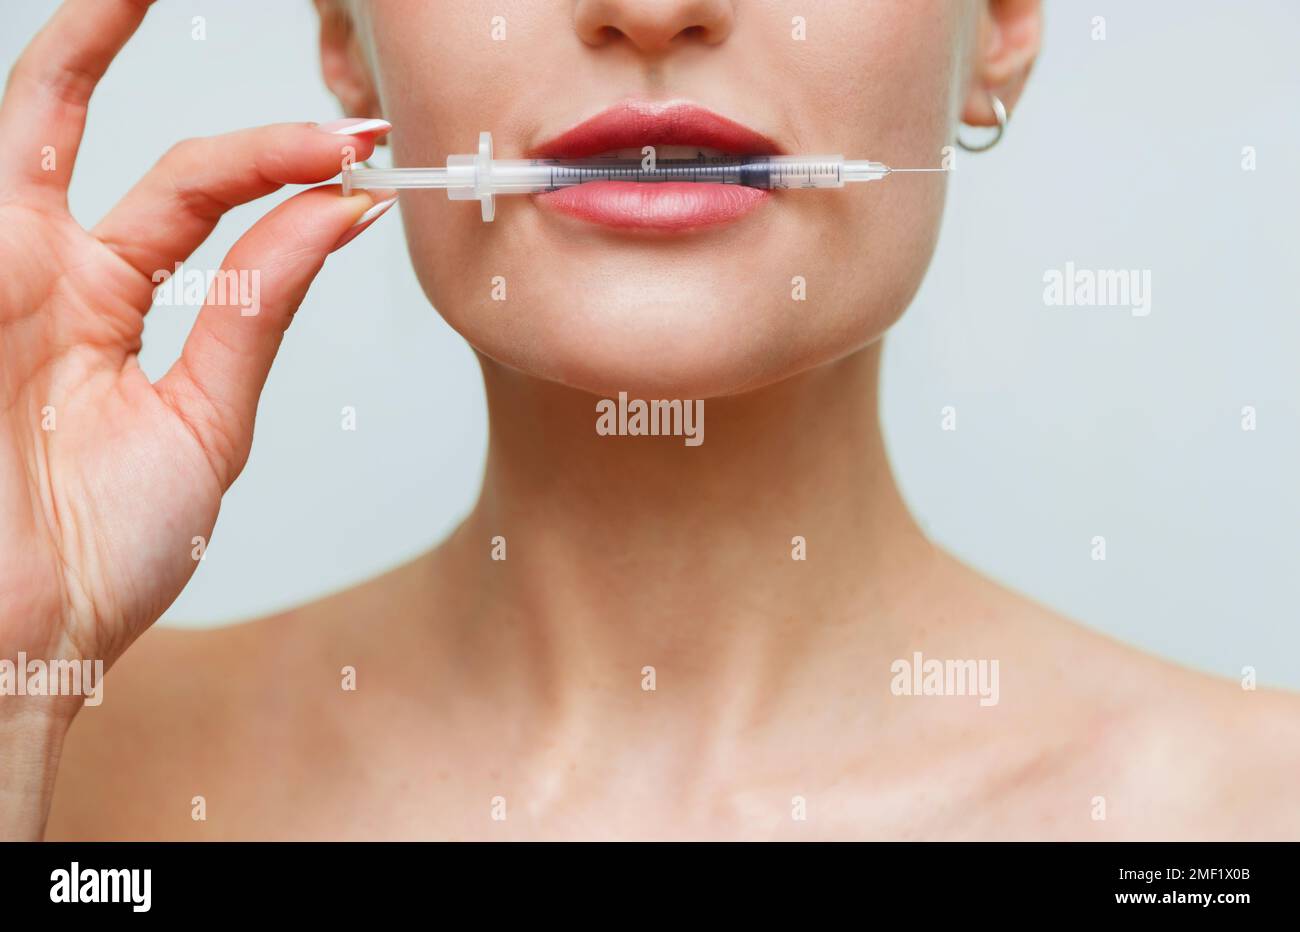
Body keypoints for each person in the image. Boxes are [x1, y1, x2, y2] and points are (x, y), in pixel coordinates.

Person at [0, 0, 1294, 841]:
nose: (655, 9)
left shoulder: (1250, 819)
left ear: (1000, 23)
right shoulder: (69, 772)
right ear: (348, 35)